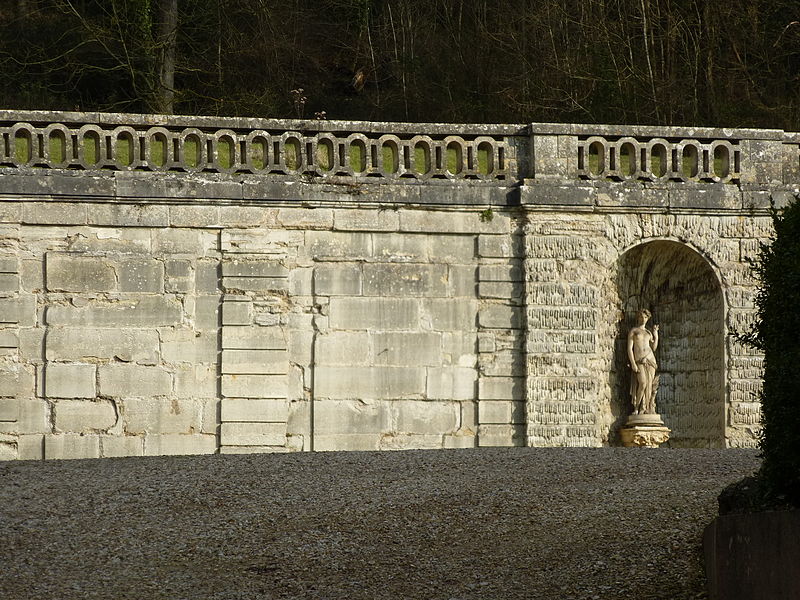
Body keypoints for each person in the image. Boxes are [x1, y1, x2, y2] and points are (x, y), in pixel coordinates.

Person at [627, 309, 659, 414]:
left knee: (649, 384)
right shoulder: (634, 331)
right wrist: (632, 363)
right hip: (639, 361)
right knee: (643, 383)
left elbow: (653, 347)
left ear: (648, 319)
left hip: (650, 360)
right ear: (638, 317)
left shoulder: (648, 332)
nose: (643, 319)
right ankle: (636, 407)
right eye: (641, 317)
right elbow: (629, 349)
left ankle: (645, 408)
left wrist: (655, 334)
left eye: (645, 317)